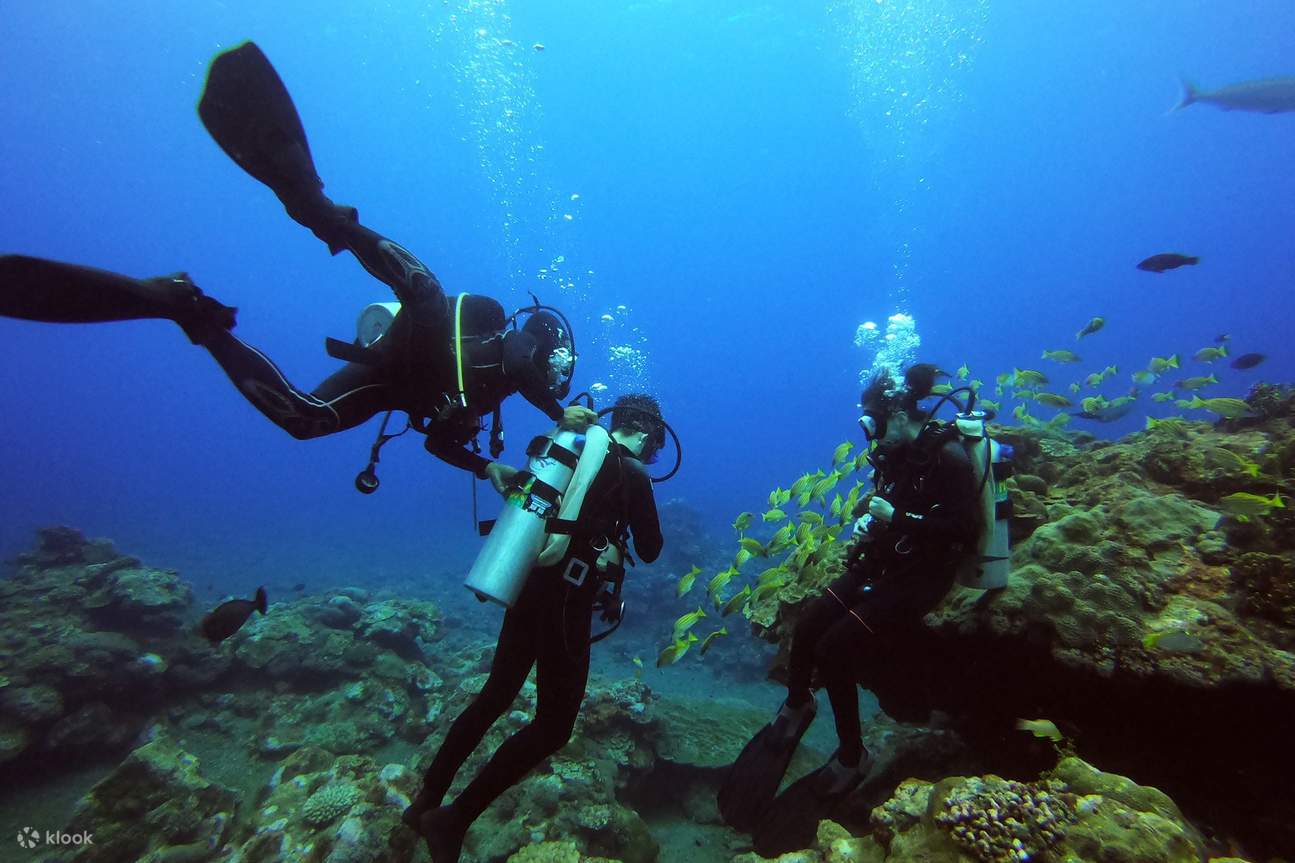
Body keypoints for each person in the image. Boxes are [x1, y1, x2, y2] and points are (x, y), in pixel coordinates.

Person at [0, 42, 594, 484]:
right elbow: (520, 360)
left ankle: (189, 313)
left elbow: (438, 443)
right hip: (427, 334)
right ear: (546, 342)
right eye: (558, 363)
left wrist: (486, 469)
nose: (556, 374)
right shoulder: (517, 349)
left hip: (393, 378)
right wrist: (556, 409)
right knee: (426, 291)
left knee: (306, 422)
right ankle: (320, 212)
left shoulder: (495, 399)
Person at [719, 363, 979, 856]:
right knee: (811, 626)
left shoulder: (948, 457)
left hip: (921, 577)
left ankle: (852, 755)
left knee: (837, 648)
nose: (868, 430)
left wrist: (897, 517)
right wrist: (869, 517)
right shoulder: (896, 454)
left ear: (899, 412)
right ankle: (797, 706)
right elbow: (889, 505)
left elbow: (961, 531)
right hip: (883, 563)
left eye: (873, 419)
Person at [405, 394, 666, 862]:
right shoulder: (632, 473)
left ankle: (427, 798)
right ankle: (453, 819)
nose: (651, 457)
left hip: (529, 584)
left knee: (495, 695)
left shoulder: (570, 449)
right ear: (645, 434)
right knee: (553, 727)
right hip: (567, 600)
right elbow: (651, 549)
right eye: (653, 447)